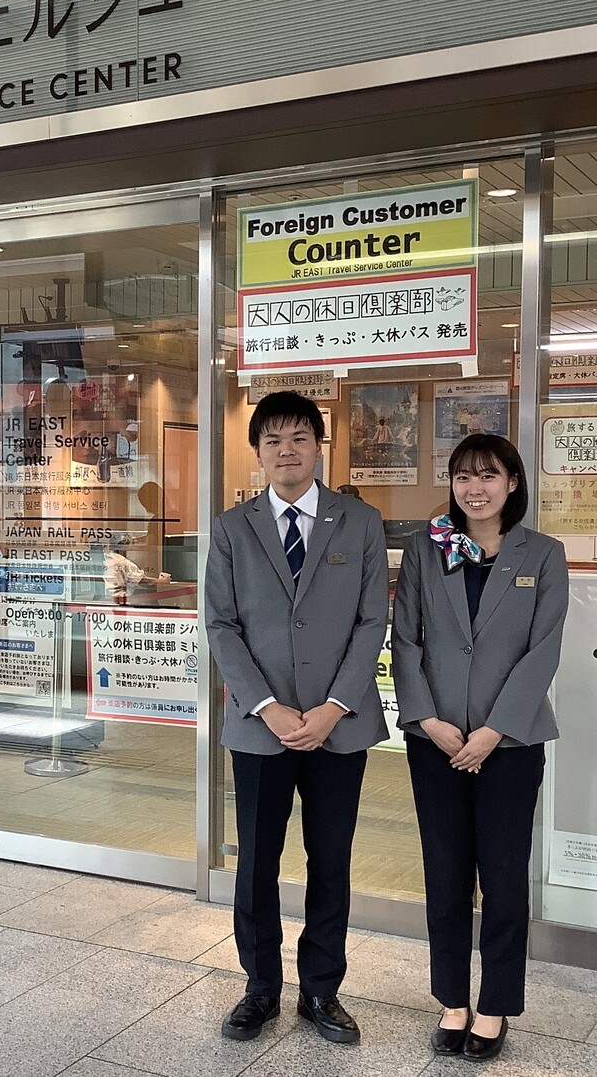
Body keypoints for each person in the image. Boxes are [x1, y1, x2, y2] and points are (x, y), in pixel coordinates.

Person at [204, 390, 388, 1046]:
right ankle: (260, 986)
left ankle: (321, 990)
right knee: (257, 859)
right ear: (257, 452)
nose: (288, 449)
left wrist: (334, 705)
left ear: (319, 446)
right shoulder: (231, 528)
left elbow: (373, 620)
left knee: (330, 857)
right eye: (274, 439)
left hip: (339, 725)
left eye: (300, 437)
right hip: (261, 725)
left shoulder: (359, 522)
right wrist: (269, 706)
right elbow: (221, 624)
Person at [392, 434, 567, 1063]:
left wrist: (493, 731)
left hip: (511, 743)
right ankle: (452, 1001)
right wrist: (430, 720)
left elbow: (542, 649)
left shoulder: (542, 553)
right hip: (434, 740)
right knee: (444, 873)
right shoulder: (426, 548)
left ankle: (493, 1005)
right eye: (464, 476)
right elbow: (405, 640)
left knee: (501, 875)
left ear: (513, 483)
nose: (475, 487)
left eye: (489, 475)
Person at [103, 532, 168, 605]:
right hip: (121, 600)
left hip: (108, 599)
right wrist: (161, 581)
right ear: (124, 546)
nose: (133, 546)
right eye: (132, 543)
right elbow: (143, 580)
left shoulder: (108, 558)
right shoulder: (122, 562)